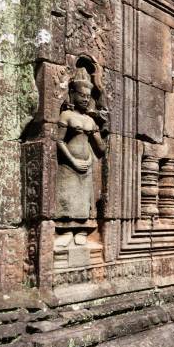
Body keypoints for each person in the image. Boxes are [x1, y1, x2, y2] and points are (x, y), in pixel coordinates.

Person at [54, 67, 106, 247]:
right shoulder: (66, 115)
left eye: (88, 96)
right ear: (73, 94)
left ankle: (81, 230)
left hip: (86, 163)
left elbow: (101, 148)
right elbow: (59, 141)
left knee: (84, 198)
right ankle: (66, 229)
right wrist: (73, 161)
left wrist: (97, 129)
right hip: (69, 164)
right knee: (68, 196)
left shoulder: (90, 120)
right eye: (81, 95)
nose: (85, 99)